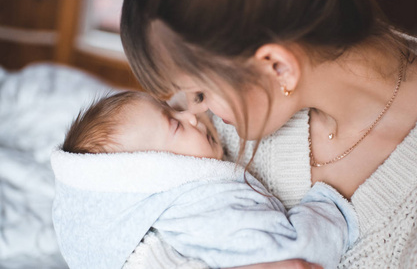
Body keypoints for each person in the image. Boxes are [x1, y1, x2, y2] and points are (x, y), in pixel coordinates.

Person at [119, 0, 417, 268]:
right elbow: (115, 225)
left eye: (201, 94)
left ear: (279, 67)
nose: (191, 113)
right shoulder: (210, 118)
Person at [52, 91, 358, 269]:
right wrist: (326, 207)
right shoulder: (208, 210)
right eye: (175, 124)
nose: (192, 116)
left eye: (174, 110)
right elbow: (296, 257)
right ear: (158, 169)